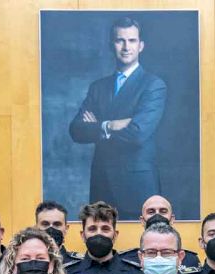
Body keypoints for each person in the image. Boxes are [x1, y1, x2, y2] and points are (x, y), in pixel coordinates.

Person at [68, 17, 167, 220]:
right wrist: (110, 125)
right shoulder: (98, 87)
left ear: (141, 46)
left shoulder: (153, 85)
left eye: (132, 40)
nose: (126, 47)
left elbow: (137, 134)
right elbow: (76, 130)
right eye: (120, 40)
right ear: (111, 45)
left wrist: (97, 128)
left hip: (137, 186)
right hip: (102, 183)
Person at [117, 195, 201, 266]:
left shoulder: (190, 260)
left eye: (163, 211)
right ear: (142, 221)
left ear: (172, 219)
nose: (157, 215)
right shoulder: (125, 260)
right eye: (151, 212)